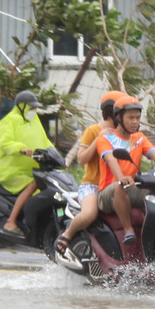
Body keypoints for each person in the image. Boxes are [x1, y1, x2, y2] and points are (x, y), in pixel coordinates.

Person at [94, 96, 155, 252]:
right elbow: (111, 159)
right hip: (107, 194)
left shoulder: (139, 138)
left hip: (132, 188)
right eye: (131, 118)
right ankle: (128, 230)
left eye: (138, 118)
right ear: (118, 117)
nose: (135, 122)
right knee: (120, 186)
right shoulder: (106, 139)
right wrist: (121, 178)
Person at [53, 89, 127, 258]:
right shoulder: (93, 130)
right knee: (89, 214)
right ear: (114, 113)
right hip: (92, 186)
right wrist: (98, 139)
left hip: (116, 186)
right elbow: (81, 159)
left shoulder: (124, 134)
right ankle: (67, 234)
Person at [0, 90, 54, 234]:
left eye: (35, 108)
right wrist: (21, 149)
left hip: (34, 169)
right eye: (31, 107)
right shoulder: (8, 121)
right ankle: (10, 222)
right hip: (11, 170)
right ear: (21, 106)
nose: (33, 111)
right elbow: (6, 143)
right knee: (33, 184)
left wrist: (56, 155)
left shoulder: (35, 121)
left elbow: (45, 141)